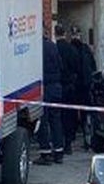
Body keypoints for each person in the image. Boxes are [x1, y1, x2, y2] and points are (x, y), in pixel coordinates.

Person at [35, 28, 65, 165]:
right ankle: (59, 152)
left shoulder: (37, 47)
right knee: (56, 120)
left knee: (43, 121)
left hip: (44, 88)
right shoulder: (52, 46)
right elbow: (60, 65)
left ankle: (45, 152)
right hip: (56, 87)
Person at [71, 26, 98, 148]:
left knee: (82, 113)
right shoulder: (84, 49)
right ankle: (85, 137)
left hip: (80, 86)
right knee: (84, 113)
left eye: (77, 34)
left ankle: (85, 138)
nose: (76, 36)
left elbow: (92, 66)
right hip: (81, 86)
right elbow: (93, 66)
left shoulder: (81, 49)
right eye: (75, 34)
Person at [55, 24, 81, 155]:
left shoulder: (54, 49)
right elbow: (77, 67)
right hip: (70, 87)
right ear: (65, 34)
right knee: (69, 116)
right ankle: (68, 143)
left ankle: (58, 144)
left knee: (57, 117)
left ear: (55, 34)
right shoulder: (71, 49)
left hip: (58, 85)